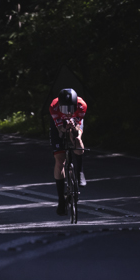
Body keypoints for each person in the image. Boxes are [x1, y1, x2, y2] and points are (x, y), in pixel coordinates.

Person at [49, 88, 87, 216]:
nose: (68, 112)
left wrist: (74, 129)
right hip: (59, 125)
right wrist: (64, 129)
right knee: (60, 160)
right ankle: (61, 200)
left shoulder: (82, 105)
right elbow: (59, 130)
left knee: (76, 138)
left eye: (70, 108)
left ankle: (80, 171)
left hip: (75, 122)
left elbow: (78, 127)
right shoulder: (53, 106)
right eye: (65, 109)